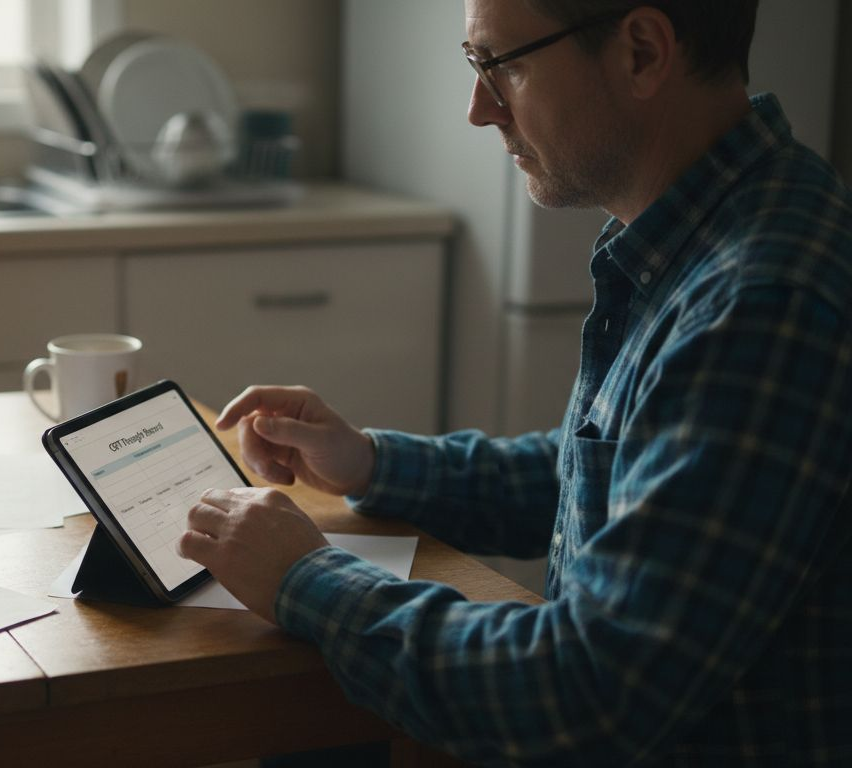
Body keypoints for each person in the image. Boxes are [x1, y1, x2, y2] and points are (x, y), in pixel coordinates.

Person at [177, 0, 852, 765]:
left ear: (640, 52)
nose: (478, 108)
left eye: (502, 65)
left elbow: (588, 693)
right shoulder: (708, 234)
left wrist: (304, 577)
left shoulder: (760, 304)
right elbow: (594, 477)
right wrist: (368, 461)